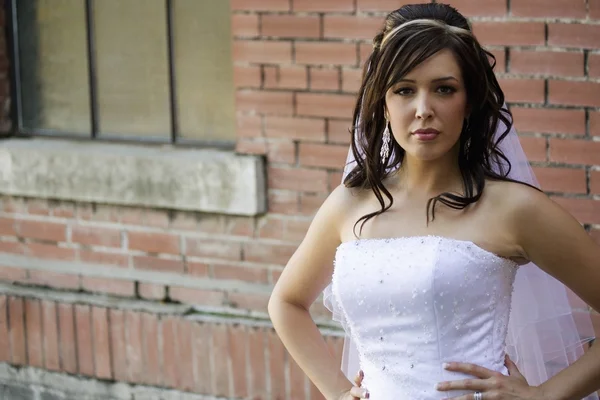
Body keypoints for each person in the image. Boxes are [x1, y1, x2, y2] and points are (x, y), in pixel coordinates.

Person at [267, 3, 600, 400]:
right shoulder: (349, 204)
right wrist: (338, 392)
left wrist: (545, 396)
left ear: (470, 100)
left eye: (444, 89)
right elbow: (286, 303)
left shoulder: (514, 209)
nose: (424, 110)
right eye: (405, 90)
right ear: (383, 103)